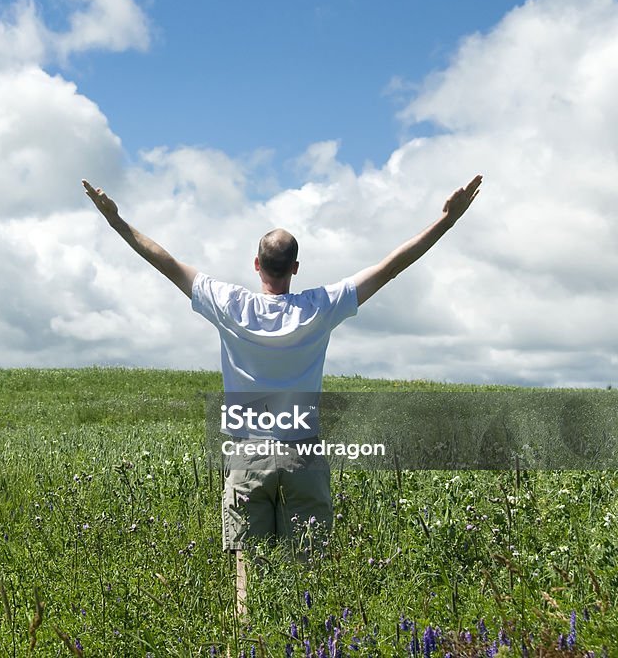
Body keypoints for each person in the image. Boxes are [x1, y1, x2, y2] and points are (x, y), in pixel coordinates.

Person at [81, 175, 482, 617]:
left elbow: (167, 263)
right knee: (305, 586)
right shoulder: (319, 307)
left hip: (247, 459)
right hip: (303, 457)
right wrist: (446, 221)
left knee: (247, 588)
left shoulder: (229, 304)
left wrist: (118, 222)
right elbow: (389, 267)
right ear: (295, 267)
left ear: (257, 264)